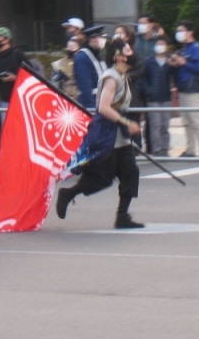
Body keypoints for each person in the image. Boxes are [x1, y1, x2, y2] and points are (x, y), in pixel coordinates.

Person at [55, 37, 145, 229]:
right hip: (106, 135)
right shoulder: (111, 78)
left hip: (119, 136)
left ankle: (122, 217)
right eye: (128, 51)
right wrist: (127, 122)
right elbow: (103, 108)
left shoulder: (122, 75)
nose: (132, 54)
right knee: (102, 178)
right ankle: (68, 194)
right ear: (118, 56)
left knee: (130, 172)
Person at [168, 20, 199, 158]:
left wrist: (183, 62)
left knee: (195, 120)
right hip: (183, 88)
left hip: (193, 88)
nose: (178, 33)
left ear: (190, 32)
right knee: (186, 121)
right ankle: (190, 150)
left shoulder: (196, 47)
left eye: (181, 30)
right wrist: (174, 63)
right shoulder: (184, 49)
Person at [136, 32, 173, 156]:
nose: (159, 46)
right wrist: (148, 91)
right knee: (155, 125)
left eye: (162, 44)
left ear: (167, 46)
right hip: (152, 99)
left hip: (166, 97)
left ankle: (165, 149)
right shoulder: (148, 61)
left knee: (165, 125)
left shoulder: (170, 61)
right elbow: (141, 79)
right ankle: (156, 149)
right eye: (158, 43)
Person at [73, 26, 107, 109]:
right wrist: (92, 107)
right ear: (92, 39)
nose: (102, 40)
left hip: (102, 101)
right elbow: (84, 84)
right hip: (90, 103)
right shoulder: (82, 57)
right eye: (99, 37)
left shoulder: (99, 54)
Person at [51, 37, 80, 102]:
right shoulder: (59, 64)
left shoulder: (83, 63)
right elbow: (54, 83)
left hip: (81, 97)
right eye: (70, 47)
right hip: (66, 97)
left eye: (74, 47)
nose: (72, 50)